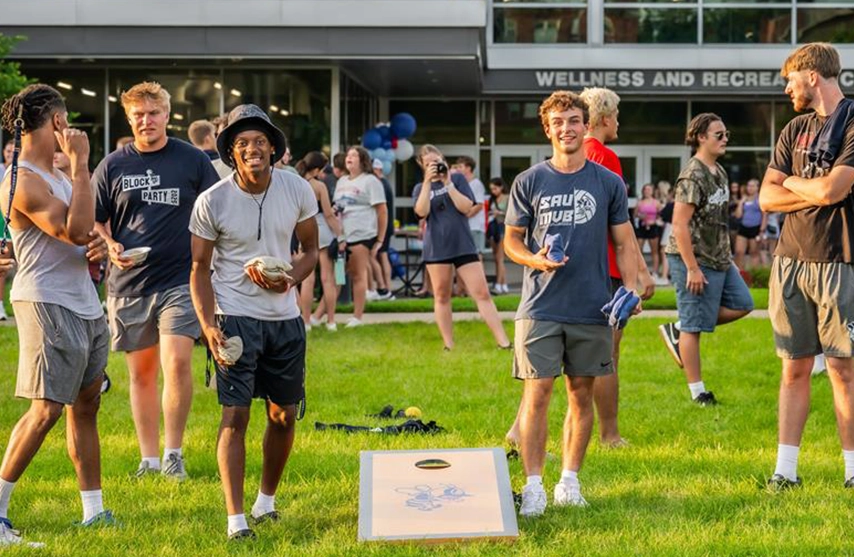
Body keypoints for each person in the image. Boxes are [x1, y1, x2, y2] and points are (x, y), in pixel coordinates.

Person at [504, 90, 639, 517]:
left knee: (581, 395)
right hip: (540, 306)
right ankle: (533, 487)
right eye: (559, 121)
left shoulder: (608, 183)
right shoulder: (529, 180)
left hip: (592, 306)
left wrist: (633, 288)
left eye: (574, 120)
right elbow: (511, 240)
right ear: (548, 128)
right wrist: (535, 259)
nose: (567, 128)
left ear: (586, 125)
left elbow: (624, 241)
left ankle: (569, 482)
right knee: (538, 393)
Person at [189, 103, 318, 540]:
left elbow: (312, 251)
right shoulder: (213, 200)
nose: (252, 149)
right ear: (230, 152)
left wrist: (290, 281)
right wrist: (208, 326)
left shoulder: (298, 189)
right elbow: (199, 269)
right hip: (234, 319)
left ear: (273, 147)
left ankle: (266, 502)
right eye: (242, 143)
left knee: (283, 416)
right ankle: (236, 520)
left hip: (284, 320)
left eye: (259, 141)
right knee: (235, 416)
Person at [0, 84, 114, 546]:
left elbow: (87, 235)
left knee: (87, 405)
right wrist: (84, 163)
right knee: (46, 410)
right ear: (58, 124)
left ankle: (94, 512)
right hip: (46, 301)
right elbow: (74, 228)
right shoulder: (22, 178)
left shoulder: (60, 176)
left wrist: (103, 248)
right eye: (68, 122)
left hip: (83, 300)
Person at [92, 81, 220, 479]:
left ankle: (173, 454)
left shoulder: (192, 159)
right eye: (138, 116)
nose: (146, 121)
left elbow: (217, 207)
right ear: (129, 119)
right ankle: (147, 459)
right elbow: (95, 218)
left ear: (167, 115)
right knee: (141, 374)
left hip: (181, 278)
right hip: (129, 283)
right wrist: (110, 243)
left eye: (153, 113)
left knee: (177, 363)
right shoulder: (113, 164)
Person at [758, 42, 854, 490]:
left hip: (840, 260)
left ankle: (852, 473)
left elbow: (836, 190)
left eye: (790, 80)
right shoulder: (793, 127)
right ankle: (785, 473)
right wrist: (810, 188)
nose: (787, 89)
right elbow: (765, 197)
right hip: (790, 260)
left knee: (842, 368)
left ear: (812, 76)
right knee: (794, 367)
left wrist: (794, 185)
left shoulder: (852, 119)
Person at [659, 113, 754, 406]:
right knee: (694, 328)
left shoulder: (720, 172)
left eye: (726, 134)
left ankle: (679, 328)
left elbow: (720, 220)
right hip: (693, 258)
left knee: (744, 304)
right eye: (719, 135)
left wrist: (728, 256)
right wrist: (692, 268)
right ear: (701, 137)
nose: (725, 139)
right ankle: (698, 392)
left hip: (719, 257)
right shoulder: (693, 174)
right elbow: (679, 224)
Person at [413, 145, 510, 350]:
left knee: (481, 292)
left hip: (463, 243)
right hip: (436, 246)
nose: (434, 166)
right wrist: (427, 182)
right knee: (441, 294)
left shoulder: (457, 179)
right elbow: (421, 212)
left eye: (436, 161)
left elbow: (466, 207)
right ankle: (448, 345)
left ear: (443, 160)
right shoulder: (420, 188)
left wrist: (447, 182)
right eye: (428, 163)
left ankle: (503, 342)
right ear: (422, 165)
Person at [332, 146, 388, 327]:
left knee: (358, 274)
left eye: (354, 155)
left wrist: (380, 239)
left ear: (363, 160)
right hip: (341, 237)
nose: (349, 158)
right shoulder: (341, 181)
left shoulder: (370, 181)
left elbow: (382, 211)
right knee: (339, 275)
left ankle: (357, 316)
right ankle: (327, 316)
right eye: (348, 155)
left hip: (361, 234)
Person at [297, 151, 342, 332]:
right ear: (316, 169)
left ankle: (306, 321)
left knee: (307, 280)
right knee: (328, 278)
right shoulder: (319, 186)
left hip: (302, 229)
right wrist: (341, 235)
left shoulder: (297, 184)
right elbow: (329, 214)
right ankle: (331, 321)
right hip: (322, 228)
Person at [370, 159, 395, 301]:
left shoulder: (381, 185)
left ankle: (384, 287)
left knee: (379, 255)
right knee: (382, 255)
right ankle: (386, 287)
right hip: (386, 225)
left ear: (378, 170)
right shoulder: (385, 183)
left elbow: (380, 209)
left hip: (383, 226)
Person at [734, 178, 766, 269]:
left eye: (752, 186)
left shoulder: (760, 199)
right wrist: (740, 203)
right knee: (739, 252)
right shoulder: (744, 199)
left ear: (757, 187)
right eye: (748, 186)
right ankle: (740, 273)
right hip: (743, 227)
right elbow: (737, 215)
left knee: (754, 253)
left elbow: (765, 215)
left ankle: (753, 274)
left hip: (755, 228)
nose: (750, 188)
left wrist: (762, 230)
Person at [634, 183, 663, 279]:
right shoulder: (639, 203)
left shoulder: (656, 203)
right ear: (643, 191)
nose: (647, 191)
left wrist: (653, 221)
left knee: (654, 251)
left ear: (652, 191)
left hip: (653, 228)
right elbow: (635, 215)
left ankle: (654, 272)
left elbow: (661, 216)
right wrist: (640, 216)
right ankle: (639, 271)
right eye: (645, 190)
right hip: (642, 227)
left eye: (649, 190)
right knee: (639, 250)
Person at [486, 177, 509, 294]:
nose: (493, 191)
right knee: (496, 258)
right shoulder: (492, 199)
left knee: (500, 258)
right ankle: (503, 284)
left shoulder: (507, 198)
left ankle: (499, 284)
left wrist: (499, 213)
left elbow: (512, 214)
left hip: (503, 228)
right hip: (493, 228)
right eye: (491, 189)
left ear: (501, 187)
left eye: (495, 188)